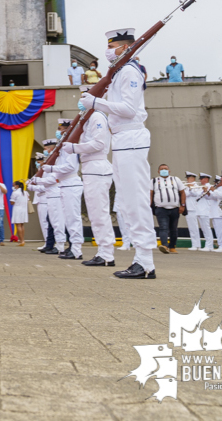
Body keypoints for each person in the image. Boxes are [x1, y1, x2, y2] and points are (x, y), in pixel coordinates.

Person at [79, 28, 158, 279]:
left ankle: (145, 261)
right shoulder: (119, 72)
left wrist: (95, 103)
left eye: (113, 47)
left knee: (135, 200)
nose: (109, 51)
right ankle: (140, 258)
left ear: (125, 48)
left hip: (132, 136)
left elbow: (128, 108)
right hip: (122, 139)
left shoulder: (130, 71)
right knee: (125, 202)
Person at [62, 91, 116, 267]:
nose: (80, 101)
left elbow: (99, 144)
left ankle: (107, 254)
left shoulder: (97, 117)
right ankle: (103, 252)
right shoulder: (89, 118)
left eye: (84, 97)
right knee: (95, 214)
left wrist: (75, 148)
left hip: (97, 167)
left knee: (99, 213)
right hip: (91, 168)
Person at [44, 118, 85, 260]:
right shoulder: (63, 147)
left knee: (73, 218)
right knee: (68, 219)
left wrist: (52, 168)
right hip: (65, 184)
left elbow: (70, 167)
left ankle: (77, 249)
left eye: (61, 129)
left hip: (71, 183)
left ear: (68, 130)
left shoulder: (70, 146)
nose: (58, 132)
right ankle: (73, 246)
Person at [31, 141, 64, 255]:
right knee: (49, 222)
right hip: (47, 197)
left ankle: (59, 246)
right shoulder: (44, 170)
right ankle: (50, 244)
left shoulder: (52, 166)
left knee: (54, 222)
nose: (38, 163)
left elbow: (49, 182)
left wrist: (35, 183)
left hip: (51, 196)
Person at [150, 163, 186, 254]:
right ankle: (164, 245)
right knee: (163, 227)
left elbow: (182, 192)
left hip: (174, 208)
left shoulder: (175, 179)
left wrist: (183, 205)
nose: (164, 170)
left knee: (173, 229)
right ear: (158, 171)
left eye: (165, 169)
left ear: (169, 171)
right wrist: (149, 205)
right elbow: (150, 193)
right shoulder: (154, 181)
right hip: (161, 208)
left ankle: (172, 246)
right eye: (162, 169)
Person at [30, 153, 54, 252]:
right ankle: (46, 242)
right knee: (43, 222)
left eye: (39, 162)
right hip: (40, 199)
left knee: (46, 223)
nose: (37, 164)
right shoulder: (39, 172)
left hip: (45, 199)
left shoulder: (46, 172)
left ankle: (49, 243)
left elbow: (46, 186)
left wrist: (33, 187)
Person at [195, 173, 216, 251]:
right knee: (204, 229)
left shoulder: (210, 187)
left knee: (207, 228)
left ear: (206, 179)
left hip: (205, 210)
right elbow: (196, 195)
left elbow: (211, 196)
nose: (200, 180)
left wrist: (206, 191)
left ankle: (210, 245)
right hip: (199, 210)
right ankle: (208, 244)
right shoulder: (200, 187)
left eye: (202, 179)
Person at [182, 172, 202, 250]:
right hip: (189, 209)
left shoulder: (197, 186)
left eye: (189, 178)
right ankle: (195, 244)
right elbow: (185, 194)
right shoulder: (186, 187)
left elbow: (195, 194)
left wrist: (191, 188)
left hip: (194, 208)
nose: (187, 180)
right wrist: (188, 188)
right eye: (187, 178)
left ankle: (197, 245)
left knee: (195, 228)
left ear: (193, 178)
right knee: (191, 228)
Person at [9, 181, 29, 246]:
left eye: (13, 185)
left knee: (18, 225)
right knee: (22, 225)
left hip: (17, 209)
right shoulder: (25, 192)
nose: (13, 186)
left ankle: (21, 241)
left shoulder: (15, 193)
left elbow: (12, 202)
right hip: (24, 209)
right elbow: (28, 199)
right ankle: (22, 239)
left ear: (17, 186)